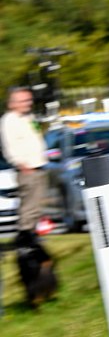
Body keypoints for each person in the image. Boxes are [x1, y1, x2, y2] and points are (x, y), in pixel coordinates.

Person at [1, 87, 48, 242]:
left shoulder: (29, 117)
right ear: (12, 104)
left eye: (29, 100)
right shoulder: (9, 120)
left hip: (38, 166)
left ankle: (32, 235)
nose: (28, 103)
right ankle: (25, 238)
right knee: (28, 207)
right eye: (23, 101)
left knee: (36, 205)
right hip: (27, 170)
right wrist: (21, 164)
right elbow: (9, 145)